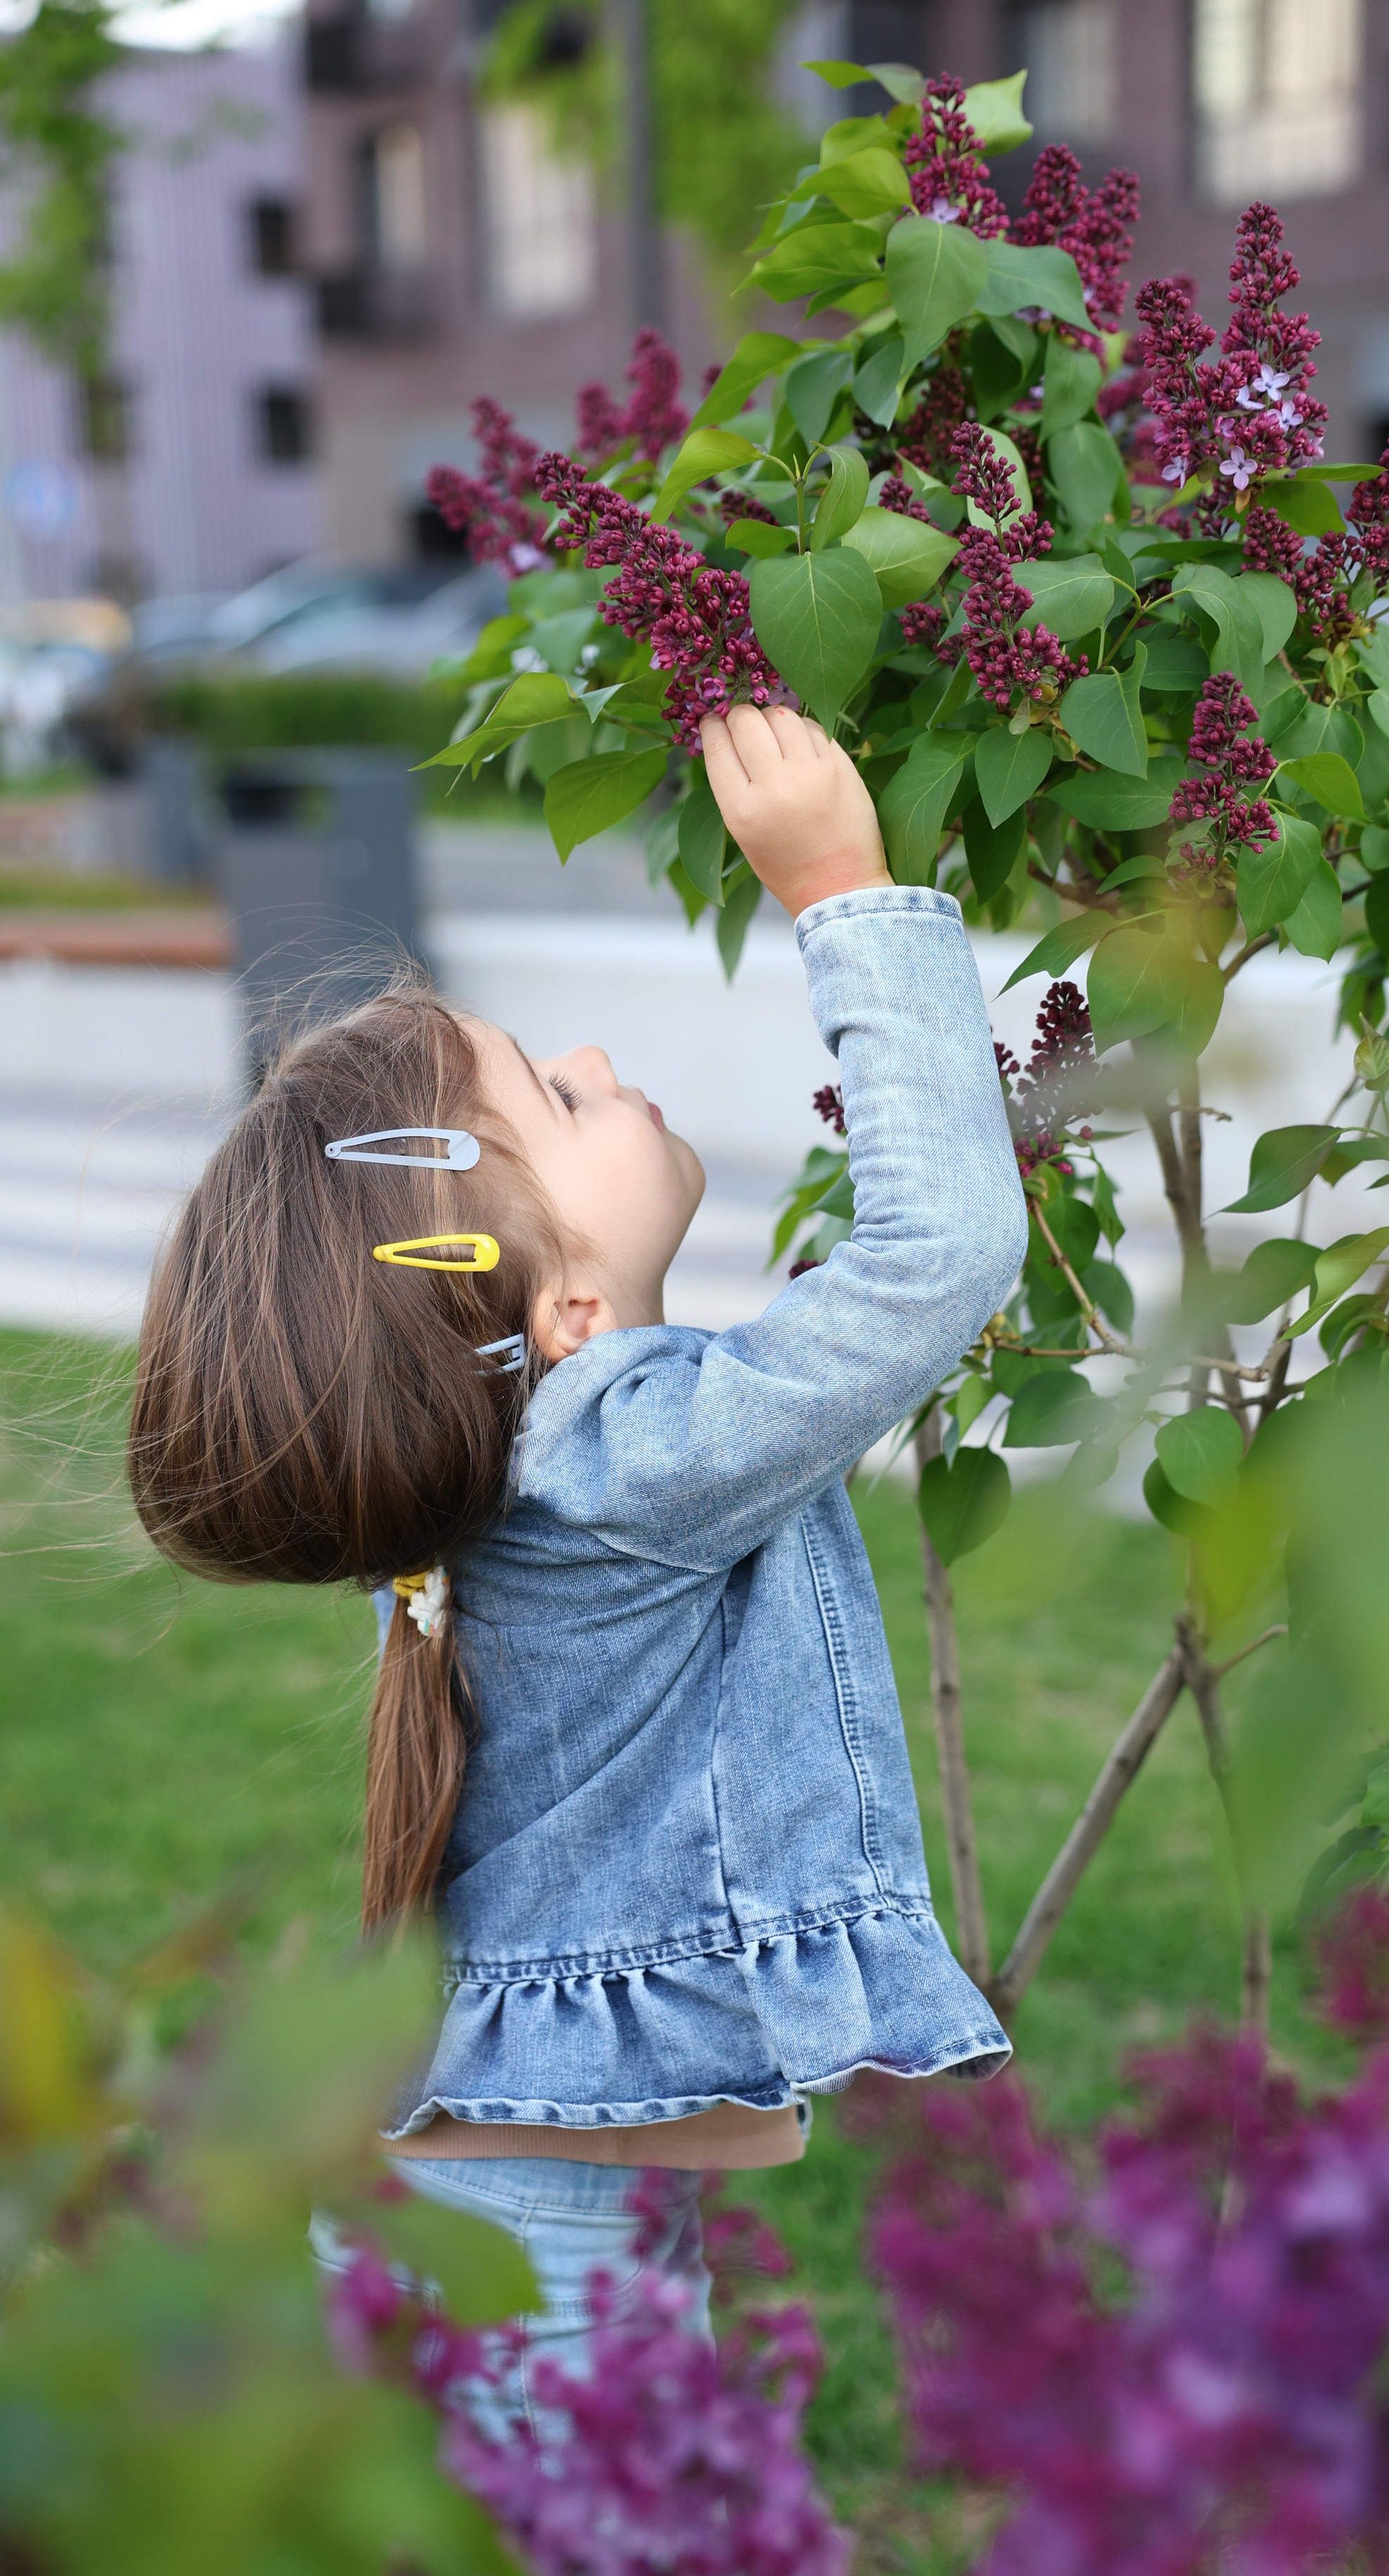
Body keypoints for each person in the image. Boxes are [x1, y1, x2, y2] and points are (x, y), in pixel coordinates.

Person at [127, 706, 1025, 2408]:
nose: (604, 1067)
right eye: (553, 1091)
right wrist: (843, 893)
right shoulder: (621, 1460)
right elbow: (941, 1256)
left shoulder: (547, 1463)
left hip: (476, 2202)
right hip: (513, 2243)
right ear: (565, 1312)